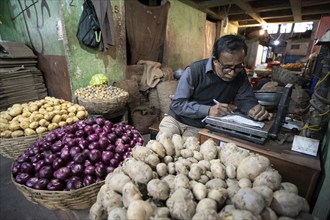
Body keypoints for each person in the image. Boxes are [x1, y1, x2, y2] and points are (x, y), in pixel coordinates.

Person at [158, 34, 270, 138]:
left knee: (189, 154)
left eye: (238, 66)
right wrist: (208, 110)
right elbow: (178, 104)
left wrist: (252, 108)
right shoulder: (194, 70)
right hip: (176, 120)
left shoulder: (240, 74)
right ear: (215, 61)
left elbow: (245, 98)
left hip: (201, 126)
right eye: (226, 67)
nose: (232, 73)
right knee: (163, 145)